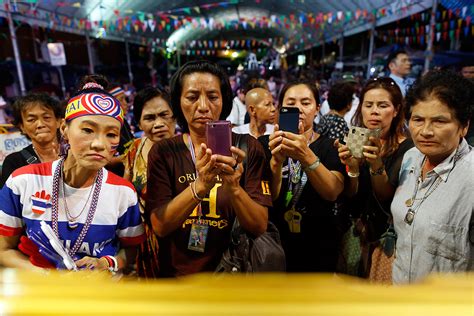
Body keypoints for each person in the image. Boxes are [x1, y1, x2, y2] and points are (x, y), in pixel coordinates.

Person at [0, 82, 145, 272]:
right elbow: (4, 250)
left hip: (101, 296)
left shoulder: (123, 192)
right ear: (64, 129)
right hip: (39, 297)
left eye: (111, 134)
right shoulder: (22, 181)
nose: (99, 144)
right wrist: (47, 276)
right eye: (87, 130)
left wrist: (107, 263)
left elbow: (131, 251)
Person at [146, 60, 272, 277]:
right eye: (192, 97)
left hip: (233, 275)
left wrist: (234, 187)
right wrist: (200, 185)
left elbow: (259, 225)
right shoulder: (164, 152)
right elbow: (160, 225)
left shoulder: (248, 148)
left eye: (213, 97)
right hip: (179, 279)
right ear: (178, 101)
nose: (203, 106)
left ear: (224, 101)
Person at [391, 70, 473, 284]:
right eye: (417, 119)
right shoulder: (411, 157)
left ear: (464, 126)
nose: (425, 131)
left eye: (439, 121)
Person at [261, 79, 345, 272]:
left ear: (317, 108)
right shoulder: (264, 145)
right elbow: (268, 197)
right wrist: (276, 162)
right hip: (273, 246)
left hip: (319, 247)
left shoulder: (330, 146)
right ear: (280, 107)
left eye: (306, 103)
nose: (298, 108)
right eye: (290, 104)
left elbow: (332, 191)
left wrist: (304, 154)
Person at [336, 77, 413, 282]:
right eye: (368, 105)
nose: (374, 111)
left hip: (387, 239)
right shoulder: (353, 138)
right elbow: (350, 195)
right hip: (353, 234)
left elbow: (387, 198)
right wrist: (352, 169)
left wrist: (376, 165)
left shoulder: (409, 149)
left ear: (396, 110)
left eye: (383, 105)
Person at [123, 86, 176, 278]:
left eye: (164, 115)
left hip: (182, 240)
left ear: (175, 116)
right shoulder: (134, 151)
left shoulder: (188, 149)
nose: (159, 123)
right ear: (138, 122)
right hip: (145, 243)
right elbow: (124, 194)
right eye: (150, 118)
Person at [1, 93, 63, 188]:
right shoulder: (14, 163)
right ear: (22, 127)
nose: (40, 124)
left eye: (46, 118)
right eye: (31, 120)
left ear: (58, 122)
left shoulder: (75, 155)